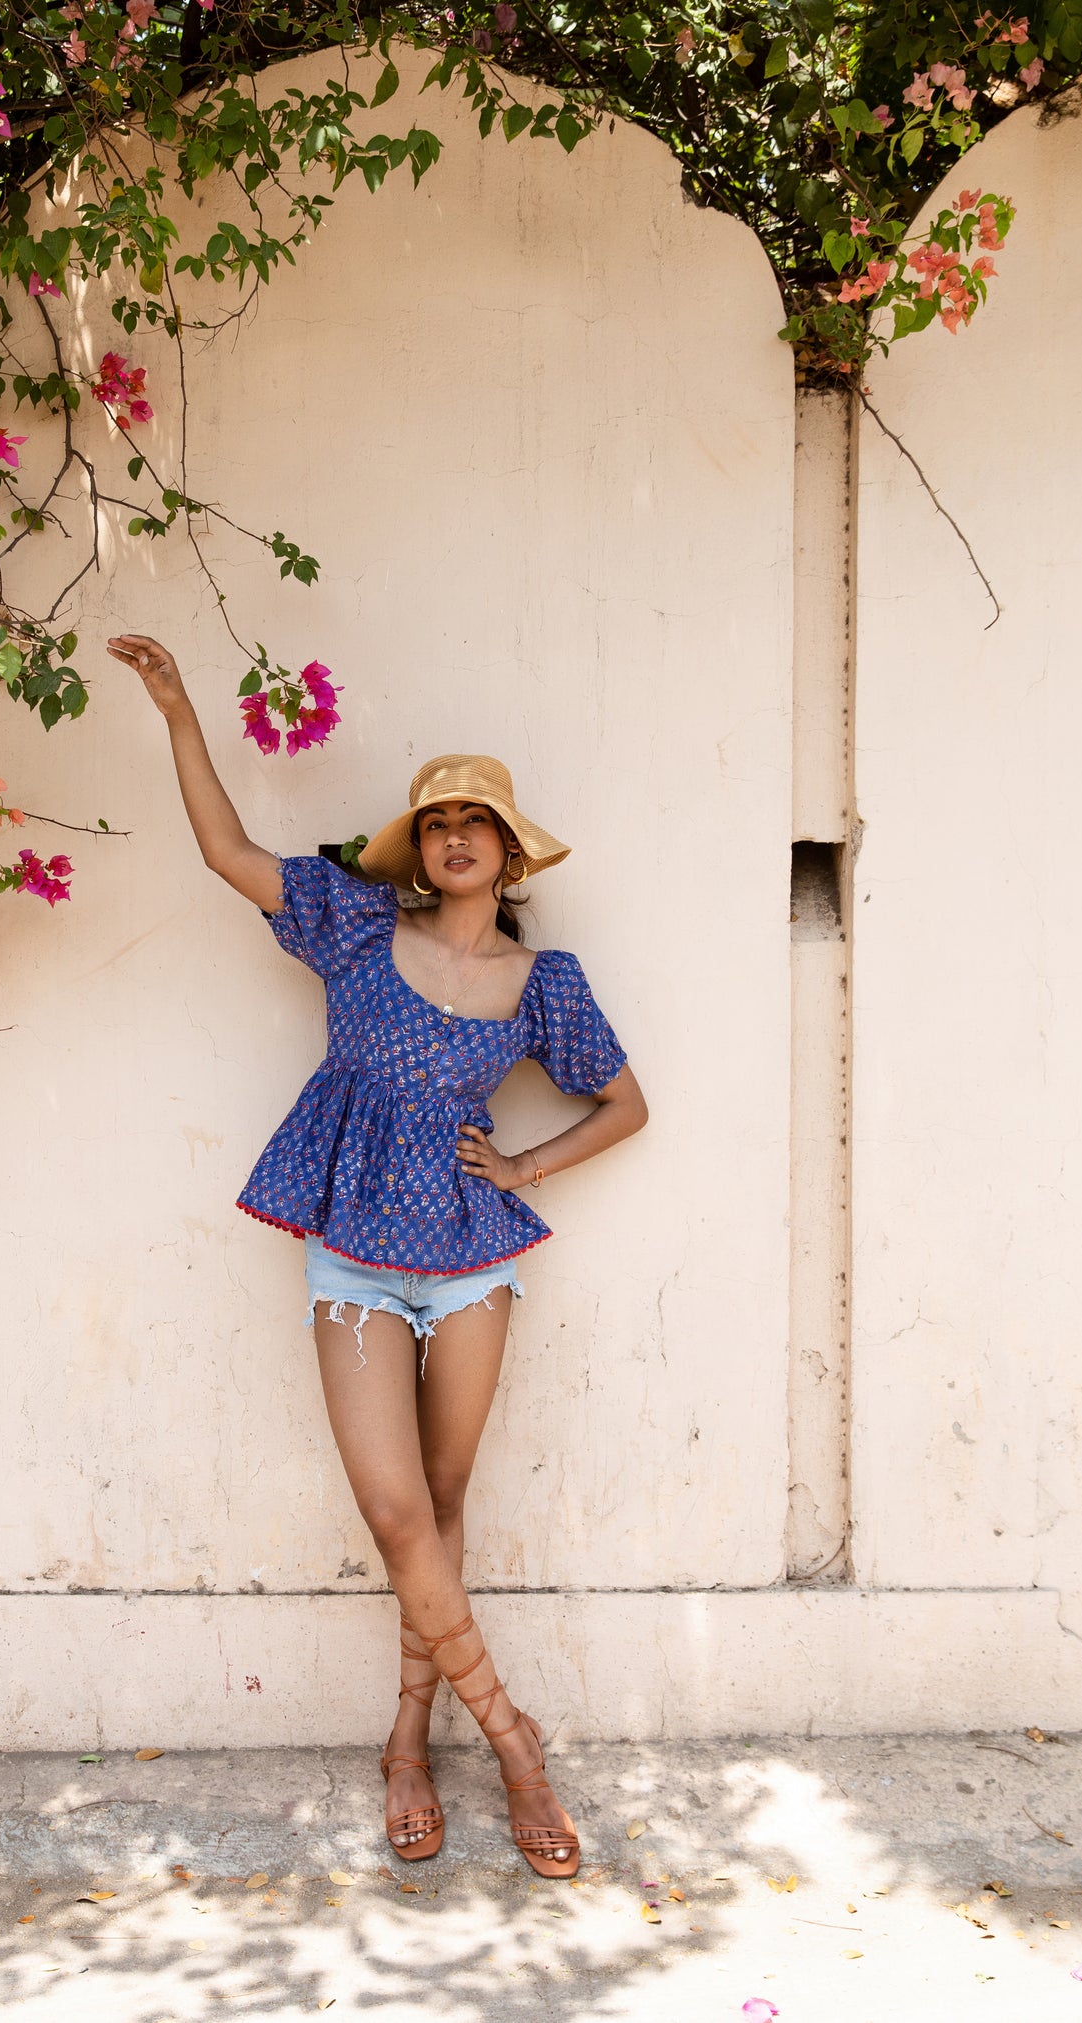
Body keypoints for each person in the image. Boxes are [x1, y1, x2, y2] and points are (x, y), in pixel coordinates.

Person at [107, 631, 649, 1878]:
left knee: (446, 1505)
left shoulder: (541, 980)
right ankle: (513, 1742)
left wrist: (520, 1169)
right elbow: (227, 853)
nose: (456, 834)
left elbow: (625, 1108)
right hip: (354, 1251)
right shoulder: (353, 924)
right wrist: (182, 711)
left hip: (466, 1257)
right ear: (419, 846)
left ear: (508, 854)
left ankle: (407, 1735)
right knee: (397, 1508)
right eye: (438, 818)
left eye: (479, 821)